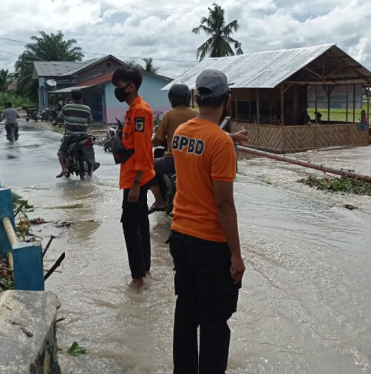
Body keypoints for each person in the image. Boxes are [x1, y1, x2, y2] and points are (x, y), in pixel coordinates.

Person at [168, 69, 245, 373]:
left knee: (186, 316)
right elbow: (224, 204)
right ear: (228, 99)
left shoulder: (182, 132)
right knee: (214, 323)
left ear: (198, 98)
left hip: (180, 237)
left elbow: (203, 140)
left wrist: (228, 137)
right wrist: (236, 255)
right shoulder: (221, 145)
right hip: (211, 245)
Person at [149, 84, 250, 212]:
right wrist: (233, 136)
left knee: (148, 167)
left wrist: (147, 143)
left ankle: (159, 201)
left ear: (171, 99)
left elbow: (158, 139)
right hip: (194, 157)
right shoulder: (196, 114)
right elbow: (212, 133)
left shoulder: (169, 115)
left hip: (173, 159)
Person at [112, 67, 157, 291]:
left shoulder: (140, 111)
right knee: (140, 222)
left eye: (119, 86)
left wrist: (137, 184)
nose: (116, 91)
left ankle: (137, 280)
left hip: (135, 178)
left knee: (130, 225)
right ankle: (145, 270)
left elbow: (142, 148)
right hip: (134, 175)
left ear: (130, 87)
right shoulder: (132, 110)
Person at [52, 90, 92, 178]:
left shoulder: (67, 107)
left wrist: (54, 122)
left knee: (61, 152)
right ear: (82, 97)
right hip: (83, 136)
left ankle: (64, 169)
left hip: (70, 136)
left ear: (72, 97)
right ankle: (91, 164)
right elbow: (89, 120)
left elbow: (59, 118)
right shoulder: (87, 108)